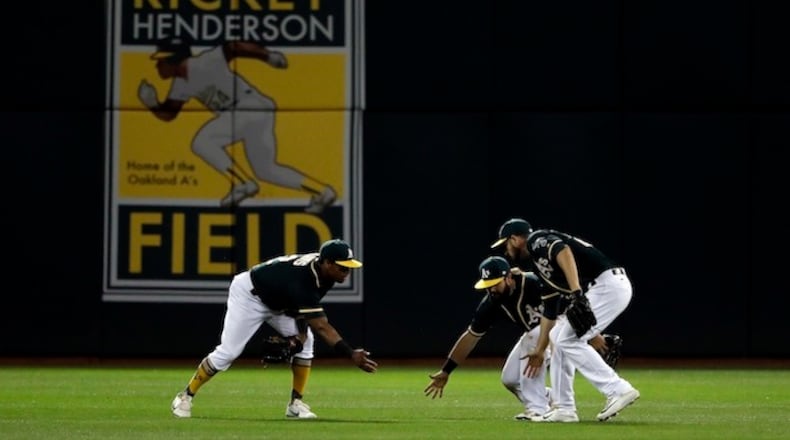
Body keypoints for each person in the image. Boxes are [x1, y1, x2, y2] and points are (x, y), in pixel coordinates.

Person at [170, 239, 378, 419]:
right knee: (229, 351)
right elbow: (321, 326)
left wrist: (299, 339)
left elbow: (304, 312)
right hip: (250, 296)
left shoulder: (325, 273)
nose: (347, 272)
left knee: (306, 344)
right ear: (327, 263)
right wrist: (351, 354)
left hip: (280, 302)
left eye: (349, 267)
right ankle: (185, 396)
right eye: (343, 267)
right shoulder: (304, 280)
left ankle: (295, 404)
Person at [137, 37, 337, 212]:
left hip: (248, 106)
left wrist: (268, 55)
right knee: (265, 170)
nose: (158, 65)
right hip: (254, 112)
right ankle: (322, 191)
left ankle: (243, 183)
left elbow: (234, 47)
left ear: (173, 58)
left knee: (202, 141)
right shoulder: (180, 84)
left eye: (161, 60)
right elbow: (169, 114)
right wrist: (153, 104)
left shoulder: (205, 61)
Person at [494, 219, 639, 422]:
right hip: (605, 287)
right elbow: (550, 313)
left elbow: (563, 251)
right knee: (558, 337)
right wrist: (539, 348)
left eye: (506, 244)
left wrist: (577, 292)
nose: (506, 250)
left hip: (607, 285)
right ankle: (564, 409)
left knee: (568, 340)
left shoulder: (537, 240)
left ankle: (618, 389)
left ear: (516, 239)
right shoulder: (540, 268)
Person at [424, 256, 552, 421]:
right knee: (510, 379)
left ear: (508, 278)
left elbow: (560, 302)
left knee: (533, 335)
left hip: (559, 329)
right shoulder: (492, 303)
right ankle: (551, 398)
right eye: (488, 285)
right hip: (535, 334)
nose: (491, 290)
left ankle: (537, 409)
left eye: (495, 284)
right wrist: (446, 370)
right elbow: (471, 337)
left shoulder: (532, 282)